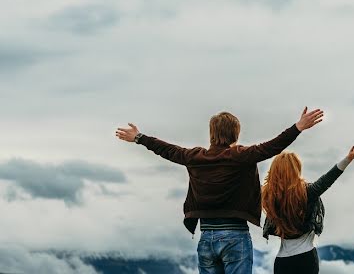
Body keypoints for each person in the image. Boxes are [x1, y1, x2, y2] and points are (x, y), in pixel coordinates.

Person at [115, 107, 324, 274]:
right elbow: (272, 147)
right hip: (236, 237)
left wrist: (139, 137)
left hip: (206, 237)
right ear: (236, 133)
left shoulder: (195, 157)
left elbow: (167, 150)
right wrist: (298, 127)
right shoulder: (241, 156)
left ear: (212, 134)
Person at [262, 146, 354, 274]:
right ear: (296, 170)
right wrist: (348, 159)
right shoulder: (307, 193)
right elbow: (327, 180)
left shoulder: (269, 197)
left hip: (282, 261)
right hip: (306, 259)